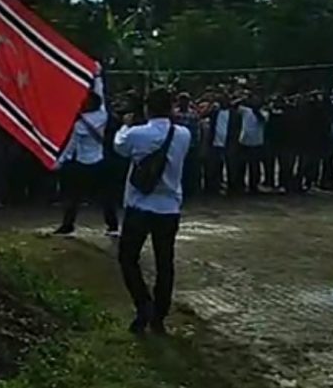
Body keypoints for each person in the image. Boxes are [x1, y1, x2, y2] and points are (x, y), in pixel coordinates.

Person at [115, 87, 190, 336]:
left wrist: (125, 125)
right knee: (164, 262)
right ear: (171, 107)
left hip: (139, 206)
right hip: (169, 208)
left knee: (128, 258)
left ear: (147, 108)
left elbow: (119, 147)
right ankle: (159, 315)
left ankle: (142, 303)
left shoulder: (136, 134)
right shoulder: (183, 135)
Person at [53, 91, 119, 237]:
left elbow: (72, 146)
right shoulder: (103, 117)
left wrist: (60, 161)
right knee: (106, 197)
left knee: (73, 197)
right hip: (99, 160)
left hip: (82, 162)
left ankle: (67, 225)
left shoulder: (79, 124)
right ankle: (113, 226)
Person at [205, 93, 240, 195]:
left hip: (229, 143)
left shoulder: (235, 114)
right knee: (215, 166)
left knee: (231, 167)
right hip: (216, 142)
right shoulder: (215, 113)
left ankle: (232, 188)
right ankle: (214, 187)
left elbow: (237, 128)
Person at [237, 94, 268, 194]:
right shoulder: (246, 110)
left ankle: (253, 186)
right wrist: (242, 98)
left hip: (256, 143)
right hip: (244, 141)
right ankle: (241, 185)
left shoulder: (264, 112)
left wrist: (255, 109)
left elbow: (262, 119)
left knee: (254, 166)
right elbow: (233, 105)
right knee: (242, 165)